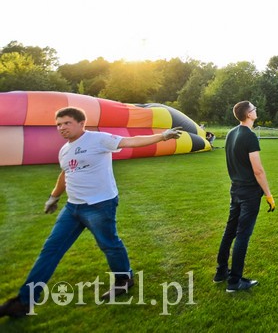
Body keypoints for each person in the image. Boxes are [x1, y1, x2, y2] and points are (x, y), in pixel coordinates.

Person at [0, 107, 183, 318]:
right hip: (72, 208)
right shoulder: (64, 150)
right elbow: (65, 173)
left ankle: (124, 279)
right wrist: (54, 197)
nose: (61, 128)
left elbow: (130, 141)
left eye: (66, 123)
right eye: (58, 124)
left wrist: (162, 136)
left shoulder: (98, 139)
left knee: (109, 245)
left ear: (81, 123)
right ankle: (23, 302)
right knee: (50, 251)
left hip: (99, 205)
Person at [214, 101, 275, 293]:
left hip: (236, 189)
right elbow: (258, 170)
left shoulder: (231, 133)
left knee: (230, 231)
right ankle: (235, 281)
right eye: (254, 109)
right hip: (249, 192)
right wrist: (268, 194)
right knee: (243, 235)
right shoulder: (249, 136)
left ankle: (221, 272)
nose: (257, 110)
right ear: (248, 115)